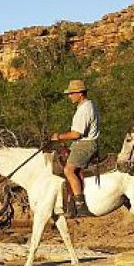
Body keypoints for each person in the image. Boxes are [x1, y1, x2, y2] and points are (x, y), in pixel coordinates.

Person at [50, 79, 100, 217]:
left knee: (69, 170)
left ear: (80, 94)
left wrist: (59, 137)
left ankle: (80, 204)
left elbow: (77, 134)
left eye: (71, 93)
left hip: (85, 144)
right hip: (81, 143)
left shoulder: (85, 109)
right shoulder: (87, 106)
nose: (69, 96)